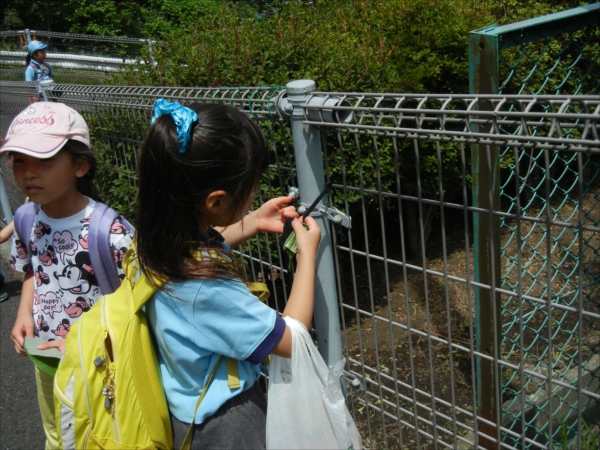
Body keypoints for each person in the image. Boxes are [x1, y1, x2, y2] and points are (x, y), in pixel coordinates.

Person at [138, 99, 321, 448]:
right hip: (229, 425)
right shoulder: (204, 288)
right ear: (216, 202)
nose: (253, 195)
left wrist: (252, 222)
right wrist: (307, 258)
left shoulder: (151, 247)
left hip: (185, 407)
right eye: (251, 188)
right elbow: (290, 340)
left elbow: (199, 251)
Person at [0, 102, 134, 450]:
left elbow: (137, 302)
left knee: (102, 435)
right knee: (56, 434)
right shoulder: (28, 218)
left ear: (80, 165)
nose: (28, 172)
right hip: (45, 355)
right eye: (19, 160)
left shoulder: (111, 231)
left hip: (101, 363)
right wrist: (23, 313)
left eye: (43, 160)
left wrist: (88, 345)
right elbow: (32, 267)